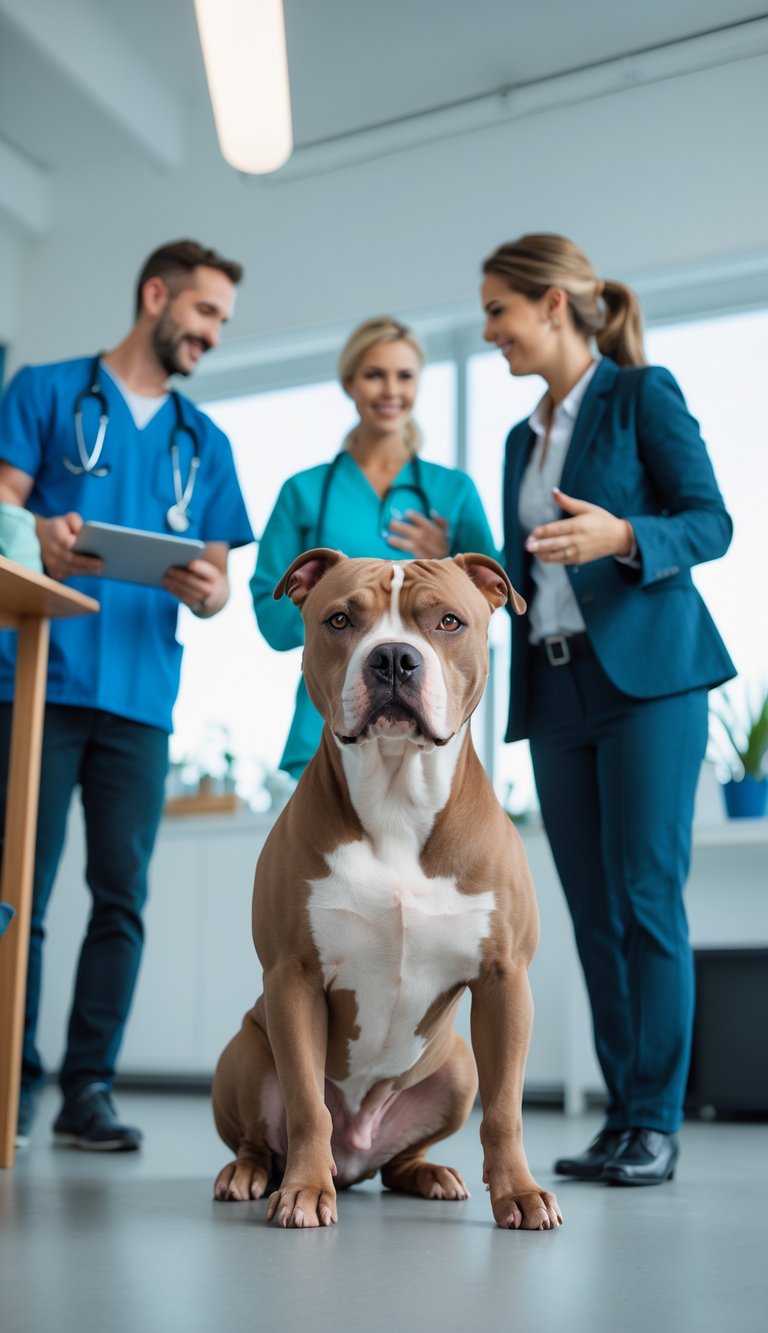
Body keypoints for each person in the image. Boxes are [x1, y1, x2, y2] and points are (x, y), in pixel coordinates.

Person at [480, 233, 736, 1186]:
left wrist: (623, 532)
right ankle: (623, 1119)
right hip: (555, 688)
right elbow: (532, 568)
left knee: (643, 899)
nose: (490, 332)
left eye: (498, 311)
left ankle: (653, 1121)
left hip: (648, 684)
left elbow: (711, 519)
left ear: (551, 305)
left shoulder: (641, 394)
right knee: (588, 913)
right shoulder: (520, 436)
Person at [0, 239, 255, 1150]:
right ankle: (7, 1081)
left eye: (223, 321)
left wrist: (209, 590)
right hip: (34, 675)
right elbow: (2, 511)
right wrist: (41, 533)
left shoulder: (204, 442)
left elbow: (221, 579)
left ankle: (87, 1091)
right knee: (15, 891)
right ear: (157, 295)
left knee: (120, 896)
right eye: (205, 313)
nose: (213, 334)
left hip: (142, 698)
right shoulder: (46, 390)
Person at [251, 315, 498, 778]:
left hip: (429, 725)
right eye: (374, 374)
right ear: (349, 383)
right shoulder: (303, 492)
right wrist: (333, 608)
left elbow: (489, 606)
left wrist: (446, 560)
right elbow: (272, 617)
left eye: (404, 376)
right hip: (327, 726)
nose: (390, 390)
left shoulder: (453, 492)